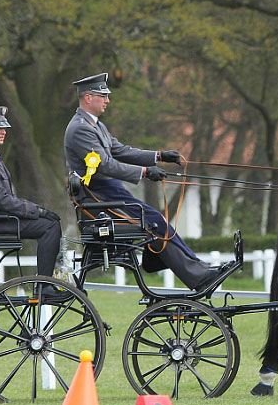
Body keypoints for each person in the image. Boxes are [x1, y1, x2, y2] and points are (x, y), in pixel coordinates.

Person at [63, 73, 227, 291]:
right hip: (99, 197)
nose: (107, 100)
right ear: (88, 98)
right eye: (103, 96)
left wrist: (159, 156)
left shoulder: (95, 126)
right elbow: (106, 166)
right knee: (156, 222)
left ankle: (198, 269)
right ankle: (198, 276)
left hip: (109, 192)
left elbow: (120, 150)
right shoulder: (80, 128)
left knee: (157, 221)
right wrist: (144, 172)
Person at [0, 106, 65, 294]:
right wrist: (38, 211)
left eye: (4, 128)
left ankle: (47, 280)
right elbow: (2, 200)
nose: (4, 132)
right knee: (49, 227)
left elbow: (6, 199)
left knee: (51, 223)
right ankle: (44, 285)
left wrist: (37, 210)